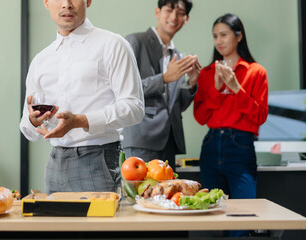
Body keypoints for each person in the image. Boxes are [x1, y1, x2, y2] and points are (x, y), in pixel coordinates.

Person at [19, 0, 144, 194]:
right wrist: (33, 121)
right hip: (54, 164)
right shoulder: (40, 60)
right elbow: (27, 127)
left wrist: (80, 121)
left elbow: (134, 108)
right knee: (55, 225)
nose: (66, 4)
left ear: (88, 1)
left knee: (100, 225)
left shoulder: (113, 44)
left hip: (98, 161)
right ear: (46, 2)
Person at [193, 13, 268, 237]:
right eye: (215, 36)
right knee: (211, 215)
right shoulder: (206, 74)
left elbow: (260, 116)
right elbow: (200, 117)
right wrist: (216, 88)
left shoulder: (256, 72)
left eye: (224, 34)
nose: (219, 40)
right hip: (211, 144)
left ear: (239, 36)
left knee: (243, 217)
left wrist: (236, 87)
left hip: (241, 146)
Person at [121, 0, 200, 169]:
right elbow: (125, 90)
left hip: (169, 142)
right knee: (140, 194)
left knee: (164, 195)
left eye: (180, 13)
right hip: (141, 139)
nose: (174, 17)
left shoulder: (177, 55)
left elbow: (176, 105)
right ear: (157, 12)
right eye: (169, 10)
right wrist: (164, 77)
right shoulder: (135, 42)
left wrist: (192, 82)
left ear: (186, 19)